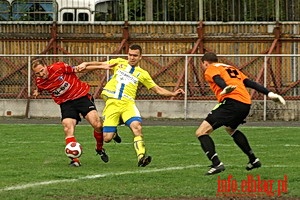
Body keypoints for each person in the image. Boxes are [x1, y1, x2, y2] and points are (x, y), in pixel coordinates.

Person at [196, 52, 286, 175]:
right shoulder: (231, 68)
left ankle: (217, 164)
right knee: (230, 129)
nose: (203, 67)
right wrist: (269, 93)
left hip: (232, 103)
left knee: (201, 132)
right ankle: (253, 160)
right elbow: (250, 83)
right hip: (245, 104)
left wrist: (225, 87)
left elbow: (217, 79)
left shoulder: (211, 68)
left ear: (205, 62)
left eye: (203, 65)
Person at [98, 44, 185, 167]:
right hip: (113, 104)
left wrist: (173, 93)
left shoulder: (143, 74)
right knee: (107, 138)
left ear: (140, 57)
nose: (132, 58)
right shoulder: (119, 63)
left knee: (137, 127)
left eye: (135, 55)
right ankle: (115, 129)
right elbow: (101, 65)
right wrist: (84, 65)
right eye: (130, 55)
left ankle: (141, 157)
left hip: (128, 105)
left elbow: (157, 89)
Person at [31, 59, 116, 167]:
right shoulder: (40, 81)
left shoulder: (59, 67)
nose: (41, 74)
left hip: (81, 97)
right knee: (67, 127)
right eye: (37, 73)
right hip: (66, 104)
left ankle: (99, 148)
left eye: (42, 71)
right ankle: (74, 160)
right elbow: (40, 87)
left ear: (46, 66)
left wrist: (102, 66)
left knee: (97, 124)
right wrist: (37, 92)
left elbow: (80, 68)